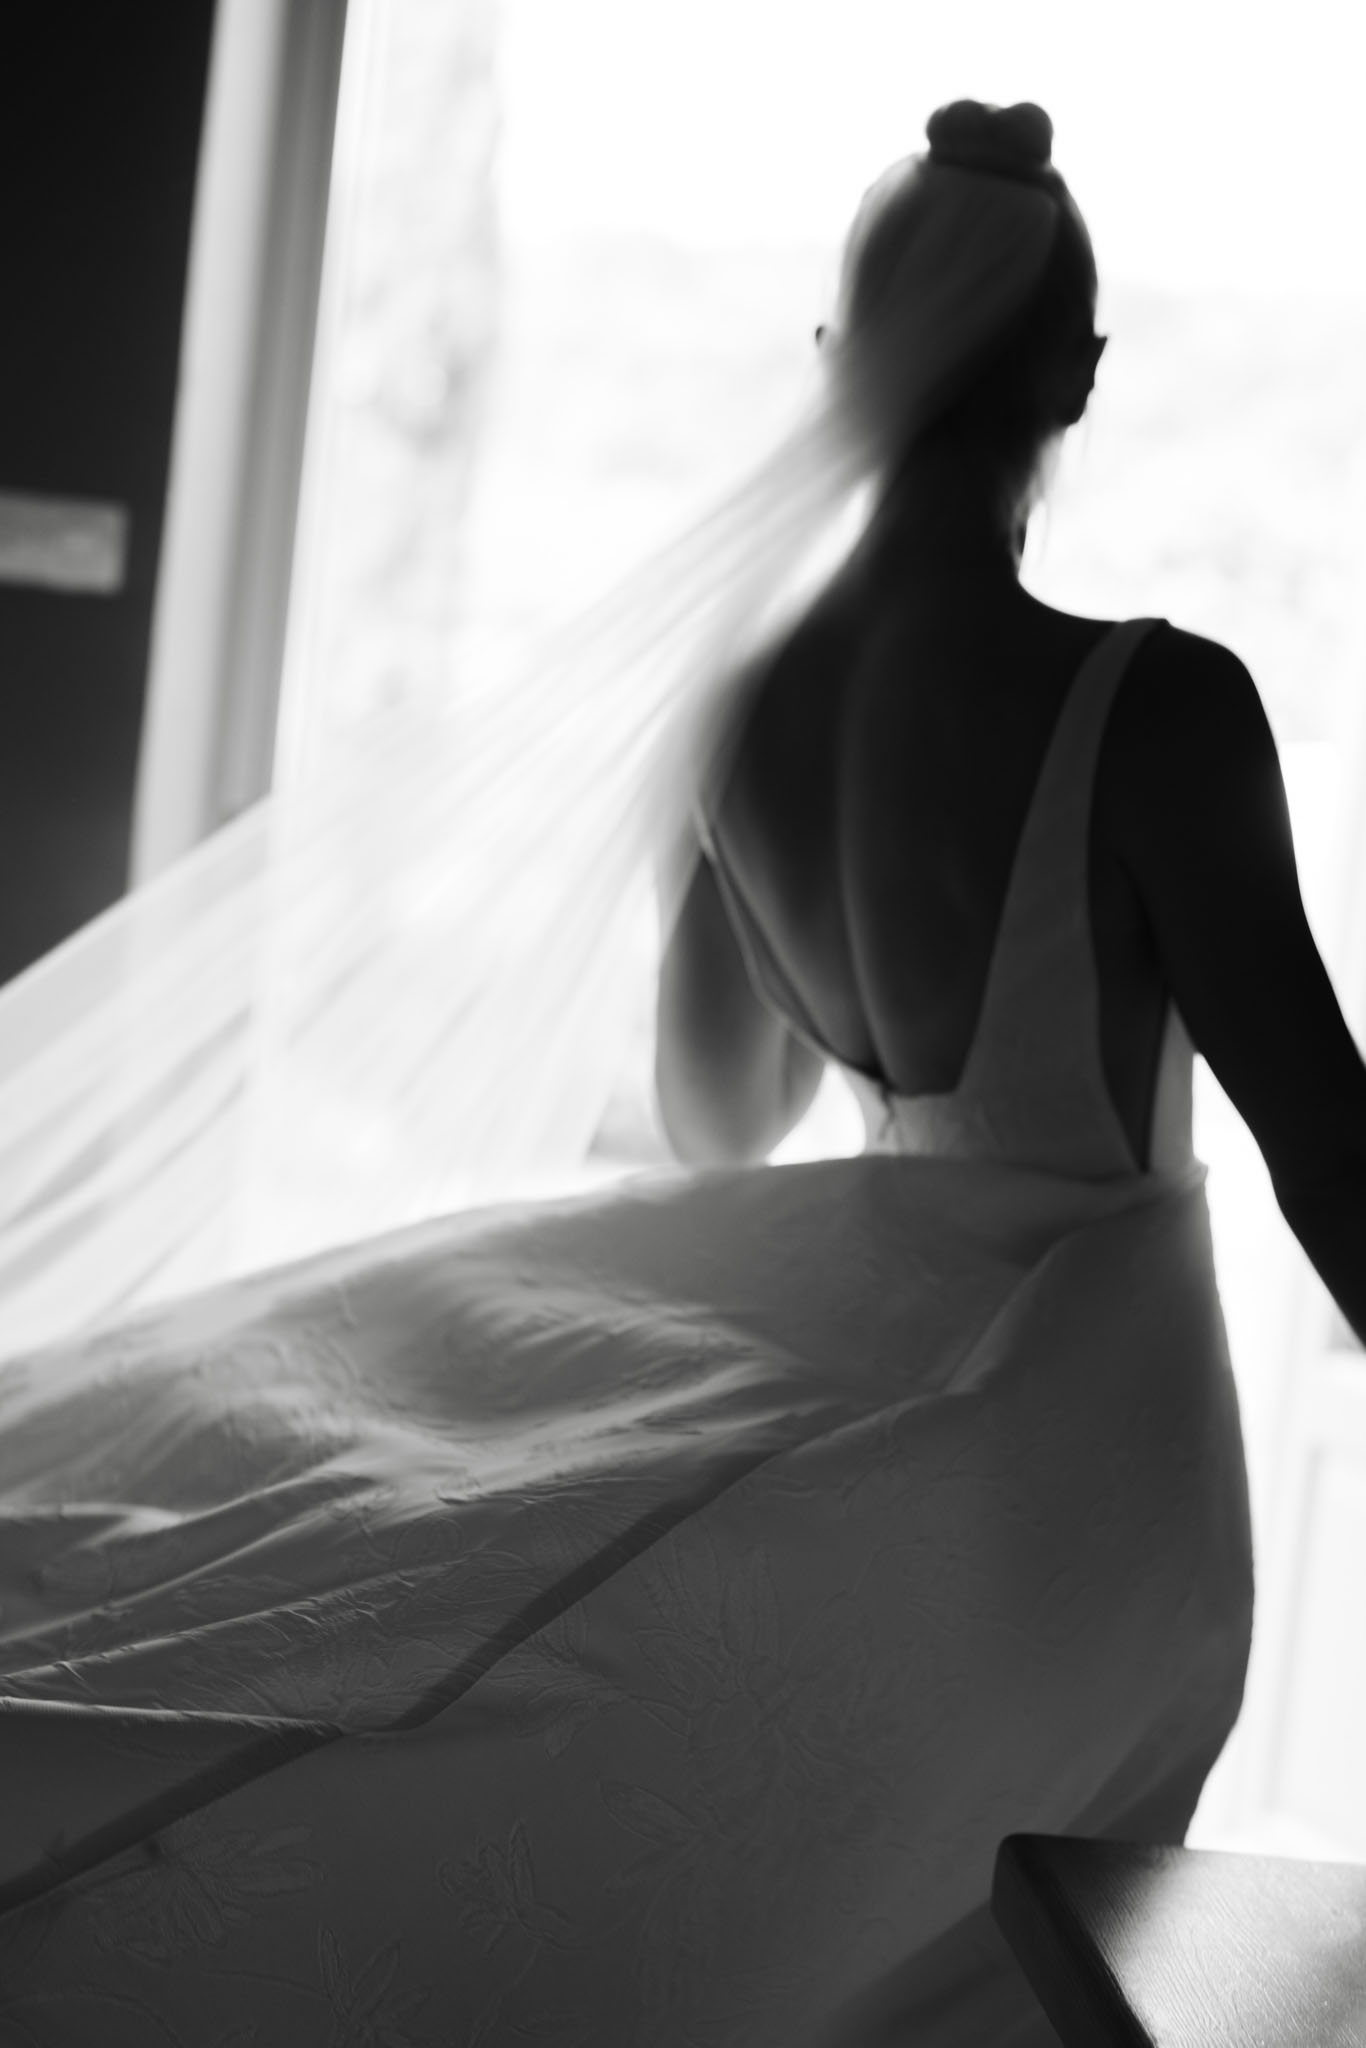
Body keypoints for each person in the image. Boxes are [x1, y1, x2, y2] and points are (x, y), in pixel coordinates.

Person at [0, 97, 1363, 2047]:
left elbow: (721, 1114)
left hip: (880, 1377)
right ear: (1074, 371)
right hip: (1074, 1471)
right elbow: (1326, 1141)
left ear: (837, 362)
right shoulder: (1161, 707)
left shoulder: (736, 710)